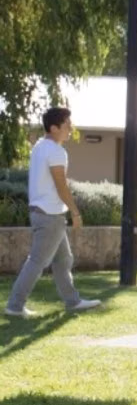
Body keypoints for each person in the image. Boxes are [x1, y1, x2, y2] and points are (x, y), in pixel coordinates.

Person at [5, 107, 100, 317]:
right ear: (54, 128)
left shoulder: (39, 146)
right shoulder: (56, 152)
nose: (70, 129)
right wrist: (75, 212)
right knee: (37, 261)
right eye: (67, 125)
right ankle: (14, 306)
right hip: (50, 215)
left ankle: (72, 301)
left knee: (63, 260)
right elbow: (61, 185)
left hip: (44, 212)